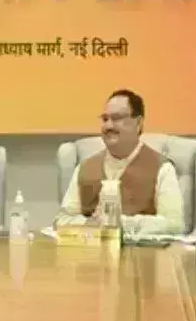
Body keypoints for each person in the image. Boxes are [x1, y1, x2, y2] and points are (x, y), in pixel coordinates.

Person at [55, 90, 184, 234]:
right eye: (105, 119)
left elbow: (174, 225)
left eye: (116, 118)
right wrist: (91, 223)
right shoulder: (85, 168)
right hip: (92, 248)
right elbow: (62, 220)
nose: (108, 126)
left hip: (141, 249)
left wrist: (121, 223)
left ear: (138, 123)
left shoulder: (162, 168)